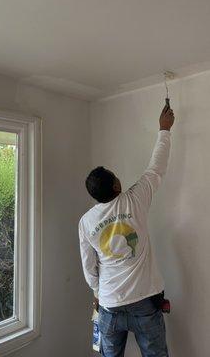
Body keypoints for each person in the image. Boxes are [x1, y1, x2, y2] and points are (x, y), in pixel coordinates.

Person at [79, 105, 175, 357]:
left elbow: (89, 268)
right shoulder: (135, 199)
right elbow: (156, 167)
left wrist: (98, 294)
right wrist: (164, 129)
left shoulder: (86, 221)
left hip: (109, 305)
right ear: (116, 184)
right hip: (144, 302)